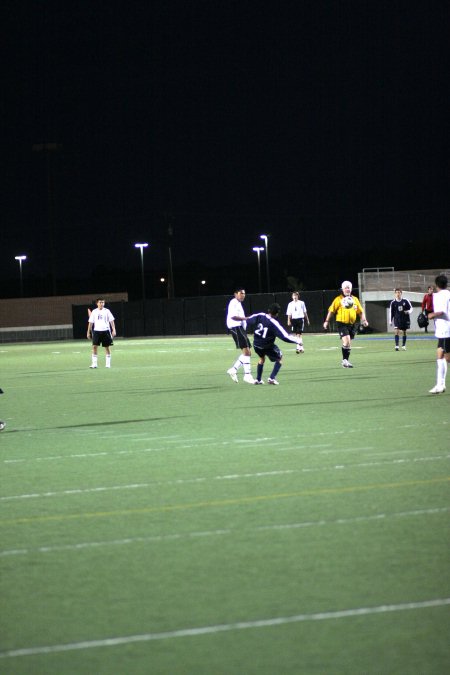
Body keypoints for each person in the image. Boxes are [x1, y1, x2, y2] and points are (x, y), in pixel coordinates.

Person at [246, 303, 302, 384]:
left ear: (268, 310)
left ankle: (258, 379)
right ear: (277, 314)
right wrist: (298, 340)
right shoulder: (273, 323)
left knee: (262, 359)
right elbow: (285, 337)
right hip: (267, 346)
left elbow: (249, 319)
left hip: (256, 345)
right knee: (280, 358)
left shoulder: (261, 315)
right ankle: (272, 378)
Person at [323, 280, 368, 368]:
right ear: (342, 289)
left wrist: (364, 320)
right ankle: (345, 360)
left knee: (348, 343)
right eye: (345, 288)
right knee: (347, 341)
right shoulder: (338, 299)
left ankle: (345, 361)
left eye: (349, 288)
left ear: (351, 289)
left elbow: (360, 312)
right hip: (342, 323)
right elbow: (331, 311)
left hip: (352, 324)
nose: (347, 289)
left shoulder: (355, 299)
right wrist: (326, 321)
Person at [226, 288, 255, 384]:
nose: (243, 295)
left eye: (244, 293)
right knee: (247, 352)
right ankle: (247, 375)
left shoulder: (238, 303)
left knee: (248, 352)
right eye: (241, 293)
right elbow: (233, 316)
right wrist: (246, 318)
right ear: (235, 294)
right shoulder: (233, 302)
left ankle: (233, 369)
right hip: (236, 328)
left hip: (240, 328)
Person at [427, 274, 450, 394]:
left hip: (446, 330)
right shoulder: (448, 294)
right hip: (443, 331)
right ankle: (440, 385)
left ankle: (440, 384)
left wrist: (431, 315)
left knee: (447, 358)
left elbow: (441, 311)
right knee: (440, 356)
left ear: (437, 285)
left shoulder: (441, 295)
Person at [87, 298, 116, 368]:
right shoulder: (94, 311)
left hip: (106, 331)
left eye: (103, 302)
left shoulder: (107, 311)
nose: (101, 304)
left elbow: (111, 321)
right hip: (96, 331)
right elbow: (90, 323)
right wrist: (88, 332)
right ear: (97, 303)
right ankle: (94, 364)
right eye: (100, 302)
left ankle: (108, 364)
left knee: (107, 347)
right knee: (94, 347)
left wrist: (114, 330)